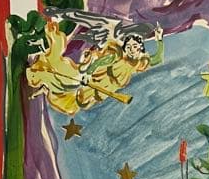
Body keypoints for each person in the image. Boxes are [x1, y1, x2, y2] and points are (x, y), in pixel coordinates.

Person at [27, 19, 163, 115]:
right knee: (71, 83)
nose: (132, 49)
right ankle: (44, 77)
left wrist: (159, 40)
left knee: (78, 102)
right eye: (129, 46)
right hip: (94, 77)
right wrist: (88, 73)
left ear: (140, 48)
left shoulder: (138, 62)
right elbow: (101, 62)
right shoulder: (117, 55)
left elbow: (157, 59)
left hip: (105, 88)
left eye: (135, 47)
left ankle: (48, 89)